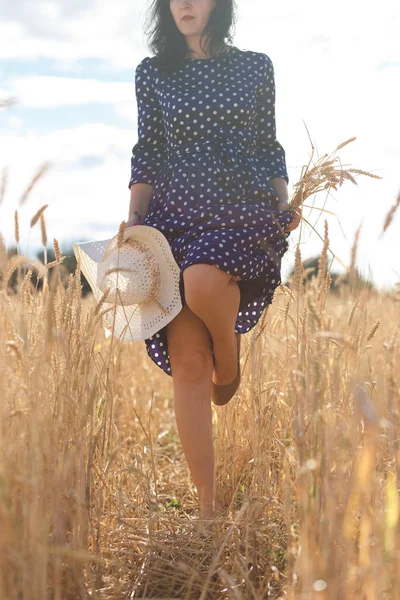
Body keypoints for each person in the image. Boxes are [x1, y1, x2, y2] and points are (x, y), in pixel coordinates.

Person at [126, 0, 301, 520]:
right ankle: (208, 510)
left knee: (203, 283)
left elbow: (268, 145)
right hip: (172, 217)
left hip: (237, 208)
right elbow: (149, 151)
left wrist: (282, 198)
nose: (185, 3)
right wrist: (134, 225)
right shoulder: (153, 72)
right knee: (188, 363)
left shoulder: (254, 66)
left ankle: (230, 352)